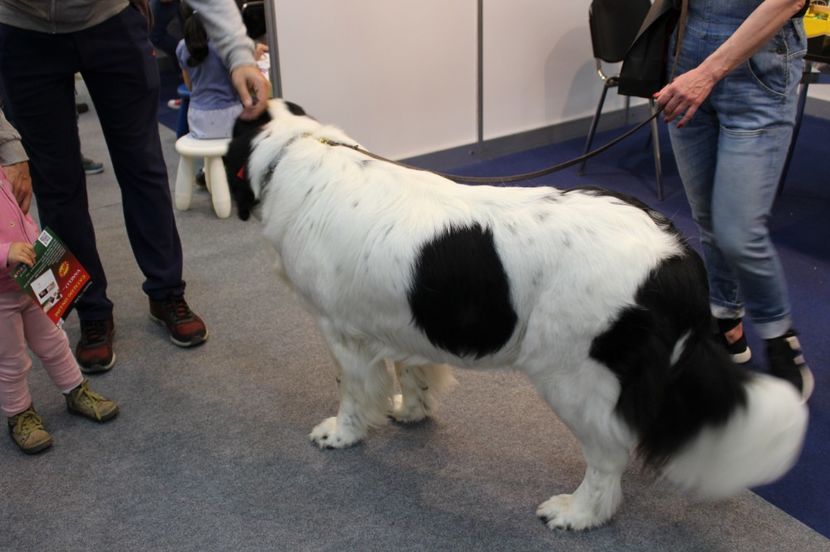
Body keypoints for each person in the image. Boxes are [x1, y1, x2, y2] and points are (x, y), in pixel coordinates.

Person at [0, 0, 269, 373]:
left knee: (143, 167)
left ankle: (167, 292)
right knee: (56, 184)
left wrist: (239, 56)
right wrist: (6, 141)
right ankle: (90, 308)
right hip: (22, 30)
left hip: (111, 19)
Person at [655, 0, 814, 400]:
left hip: (759, 73)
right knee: (708, 219)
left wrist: (707, 73)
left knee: (738, 231)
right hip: (687, 54)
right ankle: (726, 320)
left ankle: (780, 338)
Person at [1, 158, 119, 454]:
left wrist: (37, 244)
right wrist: (6, 252)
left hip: (30, 280)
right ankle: (20, 414)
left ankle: (74, 388)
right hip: (1, 297)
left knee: (54, 340)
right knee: (11, 360)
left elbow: (19, 215)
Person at [176, 2, 269, 140]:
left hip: (197, 119)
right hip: (230, 118)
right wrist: (251, 58)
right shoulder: (225, 48)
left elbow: (189, 86)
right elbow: (243, 86)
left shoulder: (182, 47)